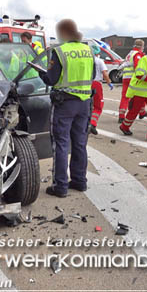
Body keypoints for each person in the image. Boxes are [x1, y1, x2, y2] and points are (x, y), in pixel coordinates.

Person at [37, 19, 94, 197]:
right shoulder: (88, 50)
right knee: (79, 143)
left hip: (64, 104)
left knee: (61, 144)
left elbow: (51, 80)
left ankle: (60, 186)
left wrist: (41, 73)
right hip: (84, 103)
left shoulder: (60, 52)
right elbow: (92, 75)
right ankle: (79, 181)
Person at [118, 39, 147, 123]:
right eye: (143, 46)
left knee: (125, 97)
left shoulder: (130, 53)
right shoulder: (137, 54)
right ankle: (141, 113)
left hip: (125, 77)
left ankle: (121, 116)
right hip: (133, 78)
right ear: (141, 46)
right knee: (141, 94)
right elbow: (138, 67)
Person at [89, 44, 114, 135]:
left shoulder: (87, 60)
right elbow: (105, 74)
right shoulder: (99, 61)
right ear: (97, 53)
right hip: (96, 84)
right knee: (98, 106)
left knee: (87, 105)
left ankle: (86, 124)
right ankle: (93, 124)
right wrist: (109, 83)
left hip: (86, 84)